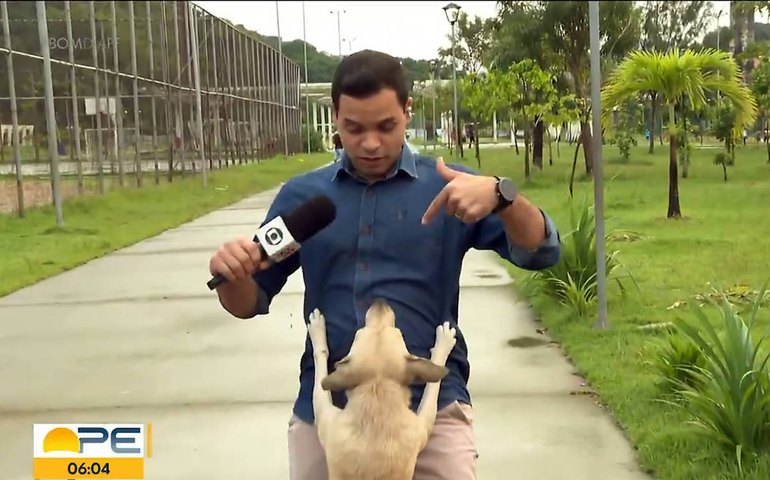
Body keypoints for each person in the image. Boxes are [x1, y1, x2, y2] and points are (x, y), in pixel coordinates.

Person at [208, 49, 561, 480]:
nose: (370, 143)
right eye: (354, 128)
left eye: (386, 126)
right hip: (329, 418)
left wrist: (503, 197)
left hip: (431, 410)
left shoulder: (450, 185)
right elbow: (247, 302)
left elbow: (542, 252)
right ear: (335, 115)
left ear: (407, 111)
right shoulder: (303, 200)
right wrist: (233, 275)